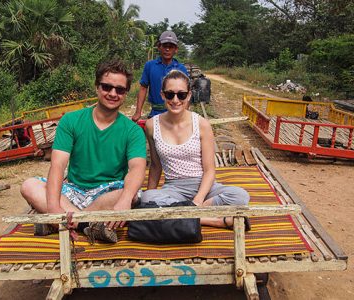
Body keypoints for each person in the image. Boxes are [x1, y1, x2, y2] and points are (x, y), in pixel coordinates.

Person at [20, 60, 147, 242]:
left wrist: (125, 200)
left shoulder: (132, 130)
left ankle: (61, 222)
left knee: (132, 195)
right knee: (29, 185)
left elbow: (137, 168)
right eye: (107, 87)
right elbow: (58, 164)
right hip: (73, 190)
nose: (113, 93)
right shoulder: (71, 121)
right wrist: (54, 206)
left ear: (125, 94)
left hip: (108, 192)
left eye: (119, 90)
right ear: (97, 87)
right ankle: (86, 225)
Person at [142, 70, 250, 229]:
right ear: (162, 95)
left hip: (204, 187)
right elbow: (156, 166)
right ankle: (214, 221)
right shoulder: (152, 125)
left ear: (189, 95)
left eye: (181, 95)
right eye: (170, 94)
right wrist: (148, 202)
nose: (176, 100)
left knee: (240, 196)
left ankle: (185, 215)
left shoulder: (201, 124)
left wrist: (198, 201)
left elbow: (209, 170)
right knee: (146, 198)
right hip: (174, 189)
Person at [131, 30, 189, 122]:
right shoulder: (150, 66)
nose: (167, 49)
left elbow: (186, 94)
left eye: (171, 47)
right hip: (156, 113)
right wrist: (138, 112)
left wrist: (184, 113)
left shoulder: (181, 69)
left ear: (176, 49)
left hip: (175, 112)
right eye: (165, 46)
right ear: (159, 47)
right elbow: (143, 88)